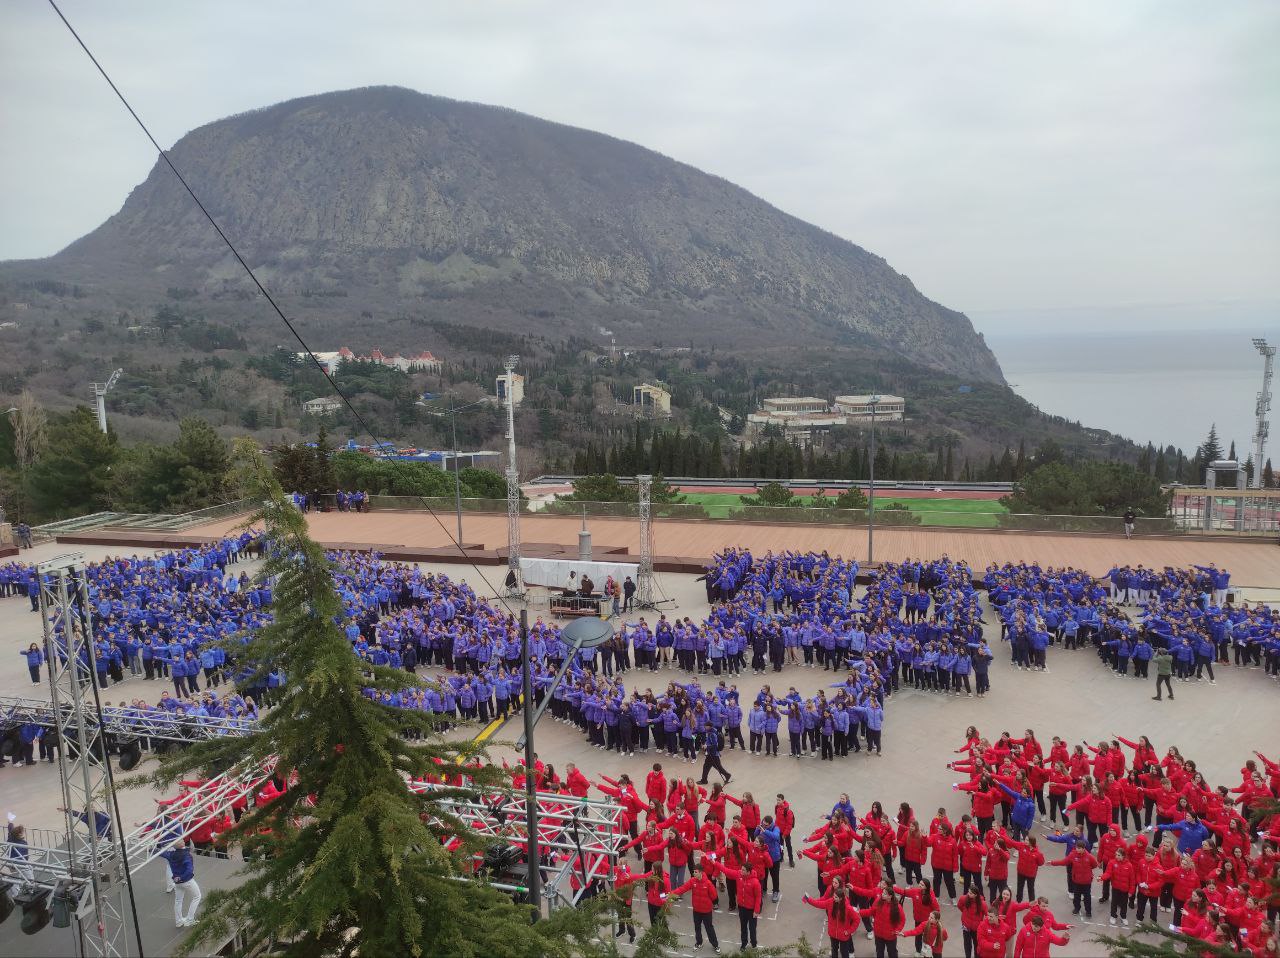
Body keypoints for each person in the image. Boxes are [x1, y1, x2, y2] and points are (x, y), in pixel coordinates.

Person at [160, 837, 201, 927]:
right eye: (182, 840)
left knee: (178, 900)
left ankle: (178, 921)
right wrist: (181, 877)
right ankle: (190, 919)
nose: (183, 840)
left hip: (177, 882)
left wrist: (152, 848)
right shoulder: (186, 855)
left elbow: (160, 853)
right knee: (197, 897)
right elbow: (189, 870)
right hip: (187, 881)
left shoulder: (171, 854)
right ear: (182, 844)